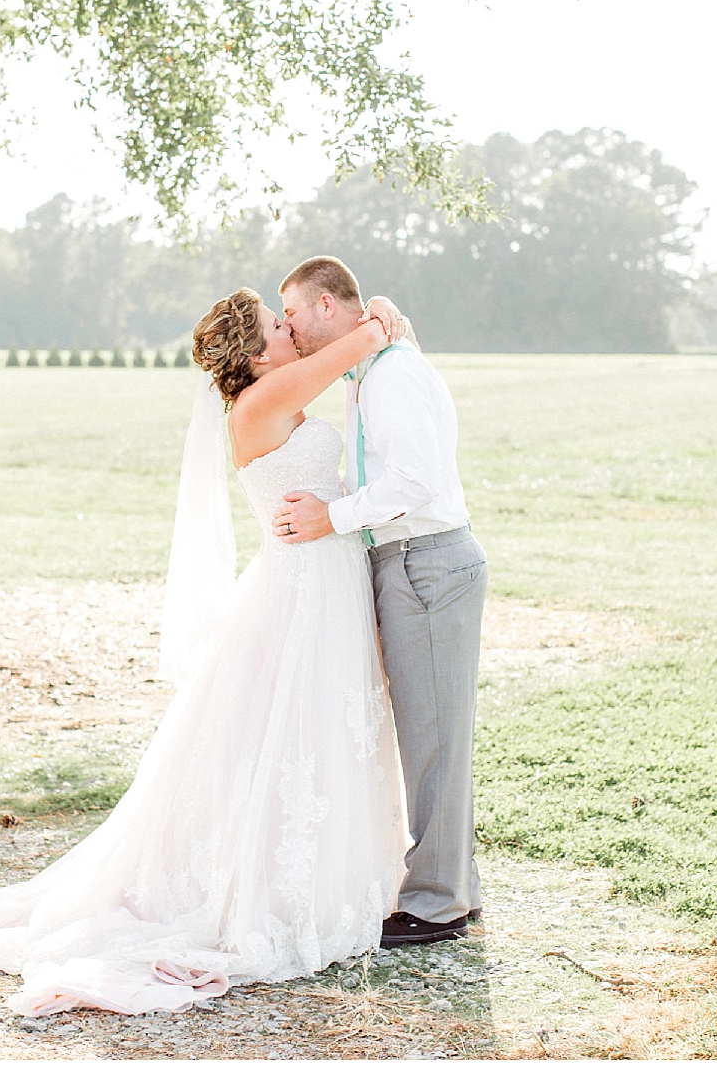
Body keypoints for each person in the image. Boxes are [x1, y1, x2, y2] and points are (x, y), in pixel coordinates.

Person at [0, 288, 413, 1017]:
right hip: (300, 593)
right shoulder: (262, 400)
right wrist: (378, 314)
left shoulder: (274, 391)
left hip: (320, 583)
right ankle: (280, 893)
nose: (291, 331)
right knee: (289, 737)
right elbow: (363, 339)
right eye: (279, 324)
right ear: (256, 353)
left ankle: (331, 877)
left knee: (308, 739)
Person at [273, 256, 488, 947]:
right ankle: (455, 884)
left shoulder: (391, 374)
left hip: (425, 561)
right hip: (409, 560)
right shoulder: (374, 368)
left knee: (434, 739)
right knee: (433, 734)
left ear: (330, 306)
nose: (292, 332)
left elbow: (415, 482)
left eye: (296, 315)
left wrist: (330, 517)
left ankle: (437, 901)